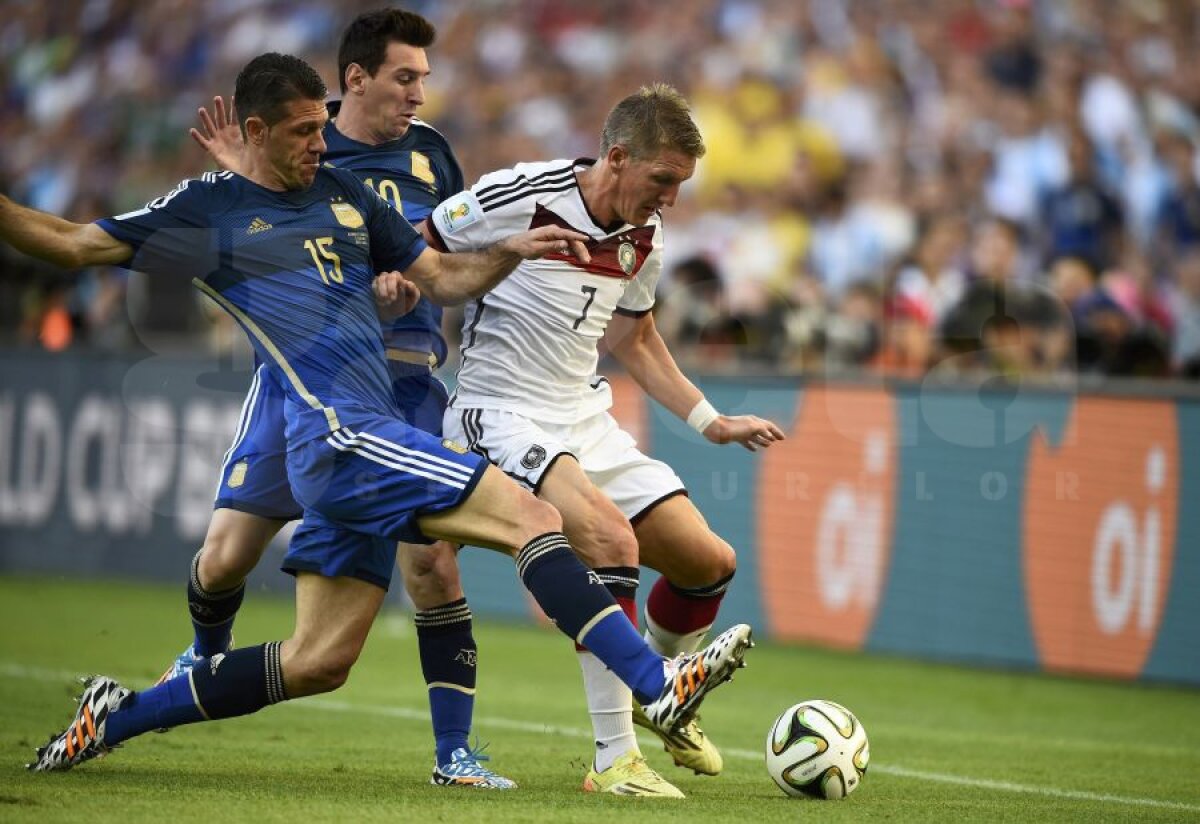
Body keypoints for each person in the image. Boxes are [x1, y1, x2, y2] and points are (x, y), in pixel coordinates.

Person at [6, 52, 753, 774]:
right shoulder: (208, 210)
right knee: (535, 521)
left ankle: (115, 716)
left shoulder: (346, 193)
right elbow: (71, 244)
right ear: (257, 132)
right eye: (302, 131)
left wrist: (512, 251)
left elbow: (442, 274)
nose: (321, 140)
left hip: (374, 431)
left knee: (318, 660)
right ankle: (659, 688)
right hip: (338, 434)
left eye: (320, 125)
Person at [163, 9, 515, 789]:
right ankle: (203, 657)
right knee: (224, 559)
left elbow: (440, 260)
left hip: (408, 380)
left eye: (425, 78)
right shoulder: (299, 144)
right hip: (306, 377)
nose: (421, 94)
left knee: (434, 566)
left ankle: (454, 755)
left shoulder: (433, 158)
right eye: (405, 78)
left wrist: (419, 282)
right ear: (354, 79)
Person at [431, 83, 784, 797]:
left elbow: (636, 336)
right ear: (617, 157)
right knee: (610, 542)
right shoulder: (516, 192)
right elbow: (420, 252)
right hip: (499, 409)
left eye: (681, 186)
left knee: (708, 562)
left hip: (582, 418)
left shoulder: (643, 235)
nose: (670, 201)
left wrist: (710, 420)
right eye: (663, 181)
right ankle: (616, 757)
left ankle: (660, 692)